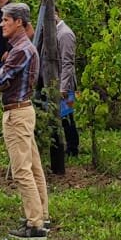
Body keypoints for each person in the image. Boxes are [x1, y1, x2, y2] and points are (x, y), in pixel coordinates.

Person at [0, 2, 50, 240]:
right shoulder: (24, 48)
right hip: (24, 110)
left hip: (16, 113)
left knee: (21, 170)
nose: (1, 24)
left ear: (19, 22)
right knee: (34, 167)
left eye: (6, 20)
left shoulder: (20, 51)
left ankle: (34, 224)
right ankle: (42, 215)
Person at [47, 12, 80, 157]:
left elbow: (68, 63)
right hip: (58, 82)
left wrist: (63, 87)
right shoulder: (56, 33)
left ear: (55, 15)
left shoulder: (65, 34)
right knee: (62, 116)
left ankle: (73, 148)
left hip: (65, 84)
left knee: (67, 116)